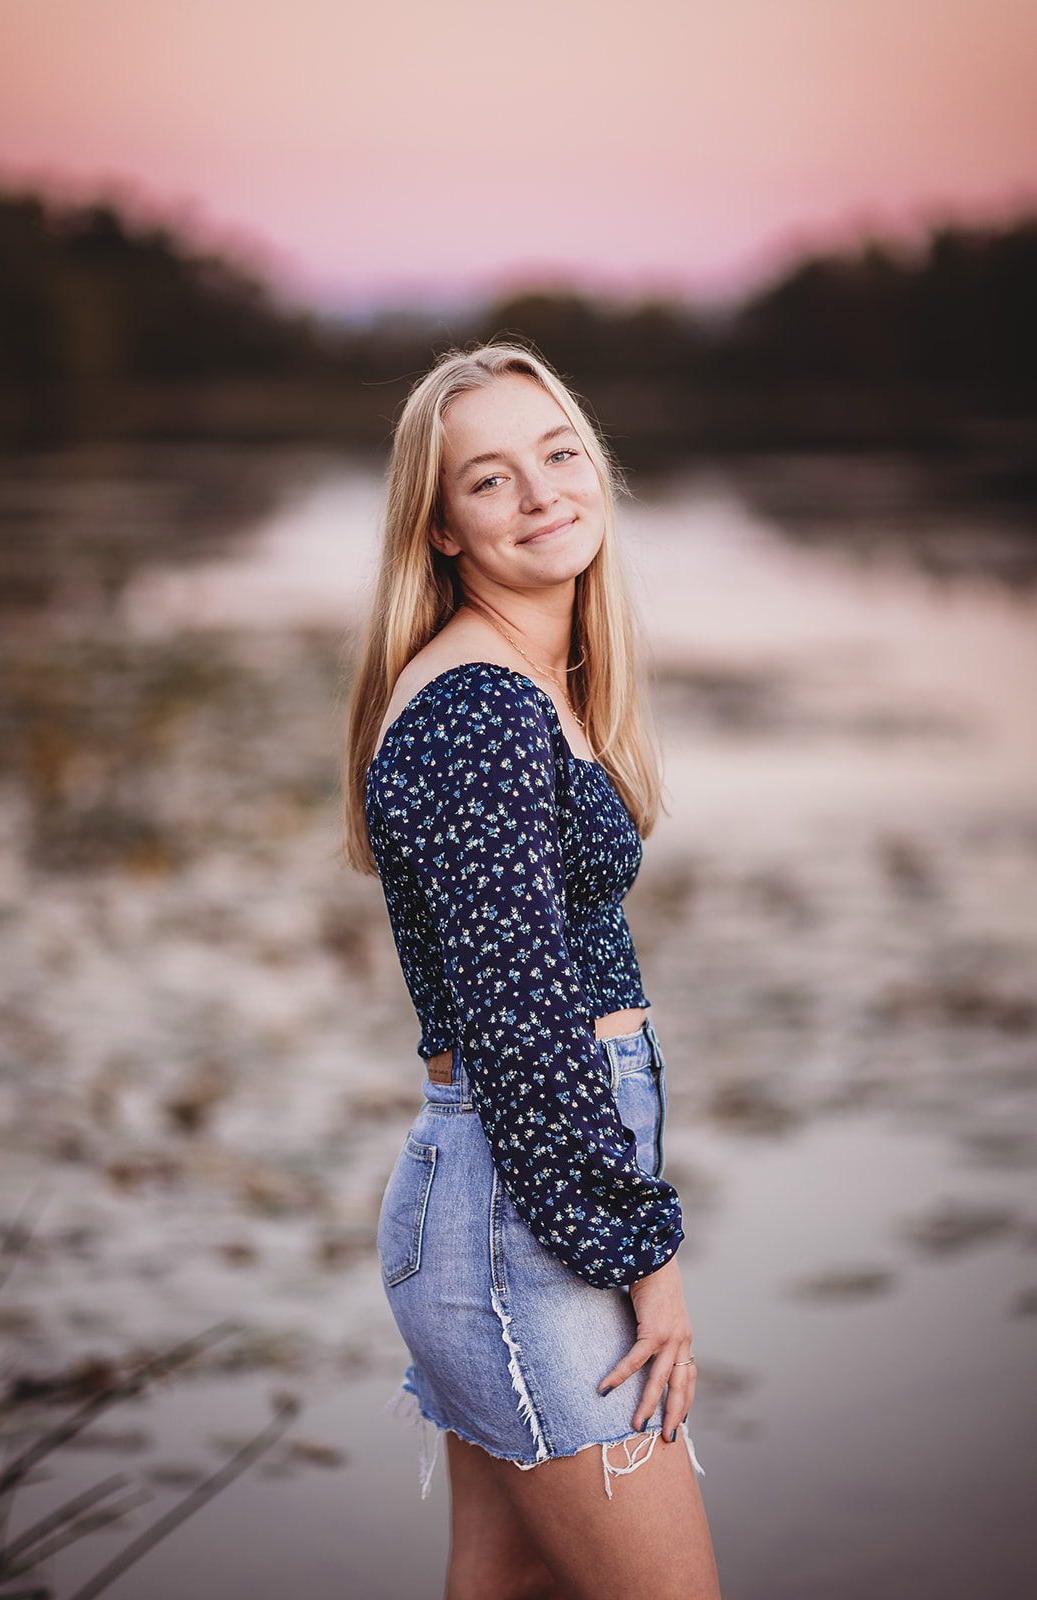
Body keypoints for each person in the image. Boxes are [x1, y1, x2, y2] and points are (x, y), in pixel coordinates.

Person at [344, 344, 719, 1600]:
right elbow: (523, 1032)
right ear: (441, 528)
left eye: (558, 453)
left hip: (509, 1210)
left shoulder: (518, 684)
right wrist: (645, 1258)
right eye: (490, 481)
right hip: (525, 1225)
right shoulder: (480, 709)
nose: (544, 493)